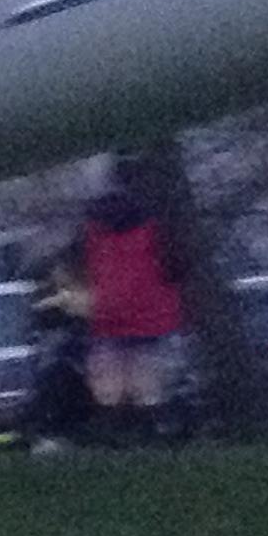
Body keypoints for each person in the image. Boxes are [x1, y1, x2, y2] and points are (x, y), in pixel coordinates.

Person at [76, 172, 190, 443]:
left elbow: (81, 271)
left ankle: (115, 432)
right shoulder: (155, 231)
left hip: (108, 318)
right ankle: (152, 430)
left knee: (110, 384)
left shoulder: (92, 235)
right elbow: (176, 268)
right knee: (148, 382)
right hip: (153, 318)